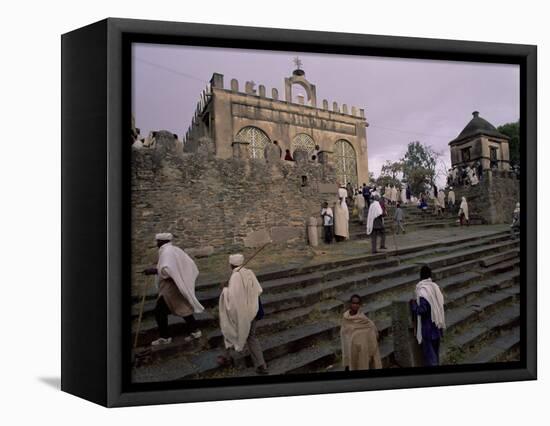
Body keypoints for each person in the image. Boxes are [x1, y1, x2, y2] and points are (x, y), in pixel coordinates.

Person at [144, 233, 205, 346]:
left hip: (170, 288)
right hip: (175, 286)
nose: (156, 243)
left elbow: (167, 270)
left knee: (159, 311)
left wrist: (154, 271)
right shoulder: (175, 249)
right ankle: (195, 331)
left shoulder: (167, 252)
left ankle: (165, 337)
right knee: (182, 307)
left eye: (157, 241)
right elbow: (187, 264)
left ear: (161, 242)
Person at [217, 254, 268, 375]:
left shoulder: (235, 276)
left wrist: (224, 289)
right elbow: (258, 290)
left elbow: (233, 299)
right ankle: (261, 365)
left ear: (231, 264)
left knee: (230, 329)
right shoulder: (249, 272)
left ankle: (225, 357)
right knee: (251, 337)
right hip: (254, 310)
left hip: (243, 313)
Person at [410, 266, 446, 367]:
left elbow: (422, 310)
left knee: (431, 360)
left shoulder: (423, 290)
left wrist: (413, 305)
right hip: (437, 328)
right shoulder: (435, 287)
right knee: (435, 356)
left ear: (420, 276)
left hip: (428, 329)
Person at [340, 295, 382, 371]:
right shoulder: (345, 318)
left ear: (360, 305)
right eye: (353, 303)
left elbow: (372, 330)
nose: (355, 305)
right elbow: (344, 335)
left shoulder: (364, 319)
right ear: (350, 304)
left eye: (357, 303)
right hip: (349, 348)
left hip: (361, 350)